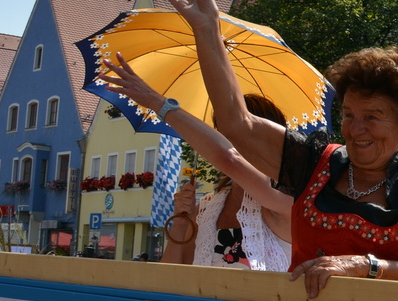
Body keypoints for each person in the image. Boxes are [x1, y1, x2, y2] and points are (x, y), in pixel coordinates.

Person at [160, 0, 398, 299]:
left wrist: (364, 265)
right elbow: (237, 125)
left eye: (372, 117)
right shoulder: (311, 161)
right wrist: (207, 30)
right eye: (348, 115)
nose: (356, 129)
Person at [105, 56, 295, 272]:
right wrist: (181, 222)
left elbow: (229, 158)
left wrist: (158, 103)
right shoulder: (208, 206)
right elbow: (171, 274)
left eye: (235, 133)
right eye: (219, 132)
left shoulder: (284, 201)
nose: (223, 139)